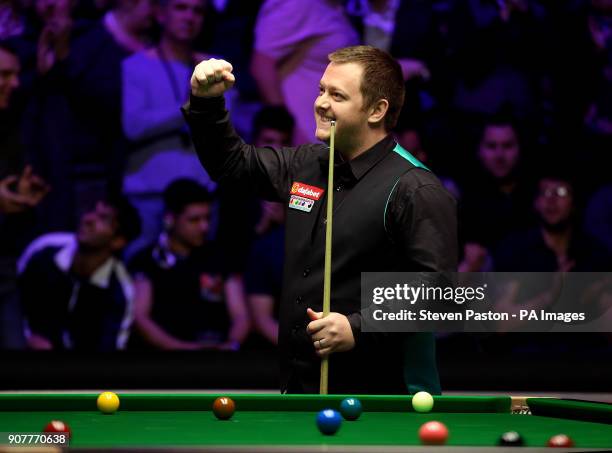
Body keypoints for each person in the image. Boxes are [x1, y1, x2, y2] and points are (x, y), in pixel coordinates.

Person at [183, 45, 457, 394]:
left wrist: (358, 327)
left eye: (337, 95)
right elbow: (233, 165)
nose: (321, 103)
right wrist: (207, 103)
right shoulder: (308, 165)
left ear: (376, 110)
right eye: (321, 90)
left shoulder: (415, 188)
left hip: (387, 401)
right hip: (302, 388)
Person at [122, 0, 214, 257]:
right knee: (141, 270)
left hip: (200, 197)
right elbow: (133, 126)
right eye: (181, 8)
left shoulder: (214, 67)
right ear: (161, 14)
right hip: (151, 195)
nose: (190, 17)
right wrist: (188, 108)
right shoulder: (136, 66)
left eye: (197, 11)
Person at [128, 179, 250, 350]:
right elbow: (140, 317)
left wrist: (232, 344)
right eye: (194, 220)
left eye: (207, 218)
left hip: (218, 355)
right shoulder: (146, 260)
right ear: (170, 219)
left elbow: (240, 315)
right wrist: (184, 349)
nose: (204, 226)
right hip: (167, 359)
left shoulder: (221, 257)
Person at [18, 195, 140, 350]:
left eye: (103, 218)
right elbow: (10, 299)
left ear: (118, 241)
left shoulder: (120, 289)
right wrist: (25, 337)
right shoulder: (45, 249)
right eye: (91, 211)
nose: (88, 219)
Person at [0, 40, 50, 349]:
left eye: (17, 74)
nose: (15, 83)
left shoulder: (8, 128)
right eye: (5, 74)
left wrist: (22, 194)